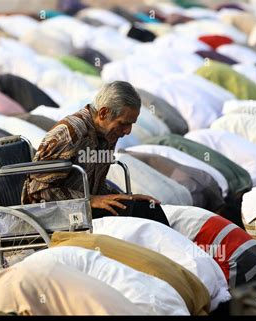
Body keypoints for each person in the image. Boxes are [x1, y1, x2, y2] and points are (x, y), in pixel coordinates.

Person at [22, 81, 169, 225]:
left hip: (84, 207)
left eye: (131, 124)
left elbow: (97, 185)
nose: (128, 131)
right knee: (133, 214)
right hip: (54, 214)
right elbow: (39, 192)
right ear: (104, 113)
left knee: (147, 208)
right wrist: (90, 200)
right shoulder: (69, 134)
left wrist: (125, 197)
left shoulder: (108, 133)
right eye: (123, 123)